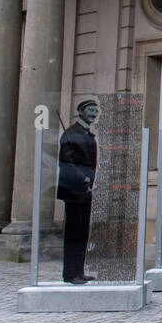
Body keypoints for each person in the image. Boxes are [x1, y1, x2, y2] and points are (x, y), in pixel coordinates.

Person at [57, 99, 99, 284]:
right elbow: (66, 162)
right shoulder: (71, 133)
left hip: (85, 191)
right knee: (73, 233)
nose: (93, 113)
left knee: (82, 233)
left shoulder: (86, 134)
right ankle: (70, 273)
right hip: (73, 192)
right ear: (81, 112)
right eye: (90, 110)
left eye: (95, 110)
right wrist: (83, 177)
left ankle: (79, 271)